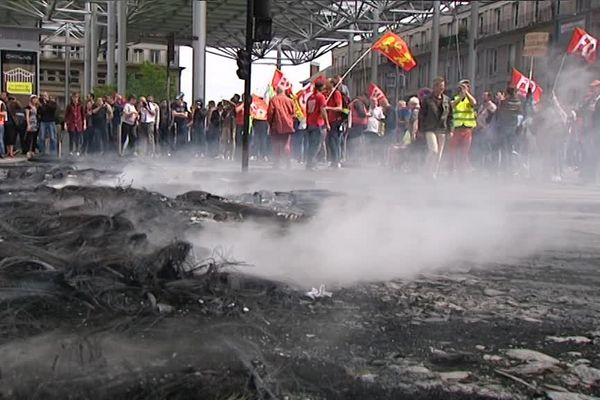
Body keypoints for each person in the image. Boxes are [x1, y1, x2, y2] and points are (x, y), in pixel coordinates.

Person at [418, 77, 453, 179]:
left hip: (442, 128)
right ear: (435, 87)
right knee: (434, 150)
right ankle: (426, 169)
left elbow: (450, 116)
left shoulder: (447, 100)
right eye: (440, 86)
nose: (442, 89)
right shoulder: (427, 100)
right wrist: (420, 129)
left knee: (439, 155)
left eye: (443, 86)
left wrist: (450, 130)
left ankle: (433, 173)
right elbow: (422, 115)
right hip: (430, 128)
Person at [450, 79, 477, 175]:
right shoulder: (455, 98)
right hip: (457, 129)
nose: (463, 89)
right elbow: (452, 105)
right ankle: (452, 169)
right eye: (462, 87)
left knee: (464, 152)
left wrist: (467, 93)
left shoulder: (469, 99)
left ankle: (463, 170)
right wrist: (461, 96)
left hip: (467, 130)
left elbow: (474, 103)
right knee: (453, 151)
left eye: (466, 87)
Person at [495, 86, 522, 175]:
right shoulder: (518, 102)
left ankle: (505, 169)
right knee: (510, 149)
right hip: (513, 129)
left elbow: (498, 112)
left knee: (504, 149)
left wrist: (500, 101)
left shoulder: (505, 102)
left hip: (504, 128)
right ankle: (511, 168)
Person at [268, 86, 295, 169]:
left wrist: (270, 124)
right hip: (288, 126)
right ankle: (288, 163)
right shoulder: (290, 101)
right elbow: (293, 114)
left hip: (276, 126)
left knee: (276, 145)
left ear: (277, 91)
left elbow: (270, 113)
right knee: (286, 145)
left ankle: (276, 164)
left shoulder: (273, 100)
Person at [305, 79, 329, 170]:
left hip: (310, 123)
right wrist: (327, 123)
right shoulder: (321, 97)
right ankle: (312, 164)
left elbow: (307, 111)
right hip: (318, 124)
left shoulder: (310, 97)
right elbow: (323, 110)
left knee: (311, 144)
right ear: (322, 87)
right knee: (317, 145)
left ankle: (309, 162)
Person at [325, 78, 344, 168]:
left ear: (332, 83)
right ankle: (333, 160)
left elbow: (339, 107)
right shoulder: (327, 93)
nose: (325, 83)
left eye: (327, 82)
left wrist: (328, 108)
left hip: (335, 120)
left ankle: (336, 161)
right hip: (329, 120)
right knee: (330, 141)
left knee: (334, 141)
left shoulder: (336, 93)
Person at [347, 95, 369, 164]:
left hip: (357, 124)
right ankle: (356, 158)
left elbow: (362, 114)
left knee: (354, 141)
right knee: (357, 141)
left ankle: (355, 158)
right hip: (360, 123)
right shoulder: (358, 103)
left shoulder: (357, 102)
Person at [364, 97, 384, 163]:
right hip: (367, 129)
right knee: (367, 146)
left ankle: (375, 160)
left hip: (375, 130)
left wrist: (381, 130)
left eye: (375, 101)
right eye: (372, 101)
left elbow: (382, 119)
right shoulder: (367, 109)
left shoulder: (379, 109)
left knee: (375, 146)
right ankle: (368, 159)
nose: (374, 103)